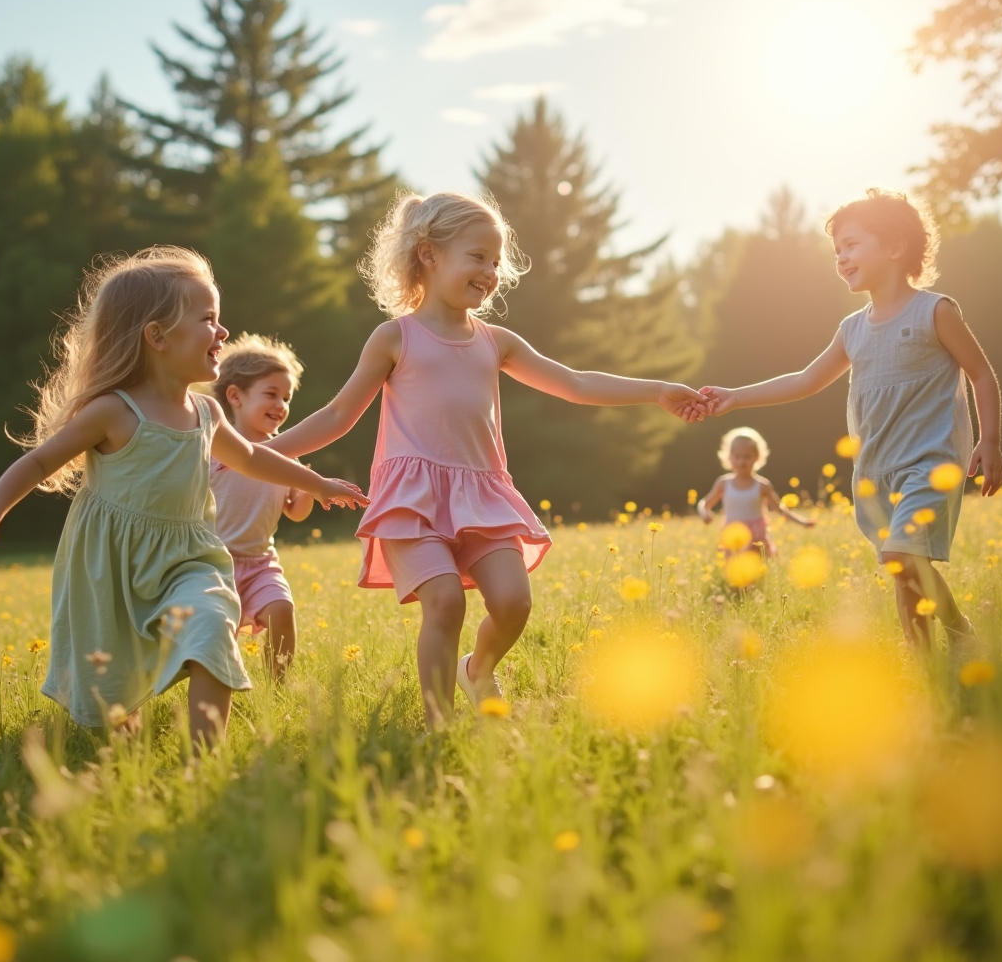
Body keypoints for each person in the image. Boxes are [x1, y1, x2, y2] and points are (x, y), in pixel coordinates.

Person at [266, 191, 707, 725]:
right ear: (428, 254)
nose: (491, 271)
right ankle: (438, 724)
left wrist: (656, 389)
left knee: (514, 603)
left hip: (482, 495)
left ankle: (478, 667)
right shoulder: (394, 338)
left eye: (496, 261)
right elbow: (337, 416)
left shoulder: (496, 342)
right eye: (477, 256)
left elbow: (574, 383)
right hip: (413, 498)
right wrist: (255, 452)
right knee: (446, 603)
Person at [0, 248, 366, 750]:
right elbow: (38, 462)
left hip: (190, 556)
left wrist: (319, 484)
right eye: (208, 319)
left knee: (211, 626)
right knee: (113, 688)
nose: (223, 333)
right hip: (112, 562)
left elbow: (252, 456)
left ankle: (205, 756)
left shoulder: (206, 412)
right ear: (158, 336)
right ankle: (126, 743)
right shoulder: (112, 412)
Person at [699, 189, 1002, 652]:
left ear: (896, 247)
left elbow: (981, 373)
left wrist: (991, 440)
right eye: (837, 249)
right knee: (902, 571)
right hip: (877, 469)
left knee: (903, 557)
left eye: (852, 244)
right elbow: (805, 380)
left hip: (931, 460)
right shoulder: (852, 329)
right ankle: (925, 666)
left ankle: (961, 632)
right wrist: (735, 398)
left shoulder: (935, 311)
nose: (841, 257)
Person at [210, 334, 314, 679]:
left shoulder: (286, 453)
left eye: (286, 397)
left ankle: (277, 686)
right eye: (271, 394)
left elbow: (295, 512)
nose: (281, 404)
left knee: (282, 609)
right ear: (236, 396)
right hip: (209, 561)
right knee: (210, 632)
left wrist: (309, 487)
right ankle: (220, 682)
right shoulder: (213, 448)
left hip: (259, 563)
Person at [696, 426, 814, 556]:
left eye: (747, 457)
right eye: (737, 456)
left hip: (757, 536)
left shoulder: (762, 485)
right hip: (732, 535)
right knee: (734, 572)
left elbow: (780, 510)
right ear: (729, 457)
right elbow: (704, 503)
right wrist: (704, 513)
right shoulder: (723, 483)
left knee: (757, 570)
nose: (741, 461)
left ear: (757, 457)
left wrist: (803, 522)